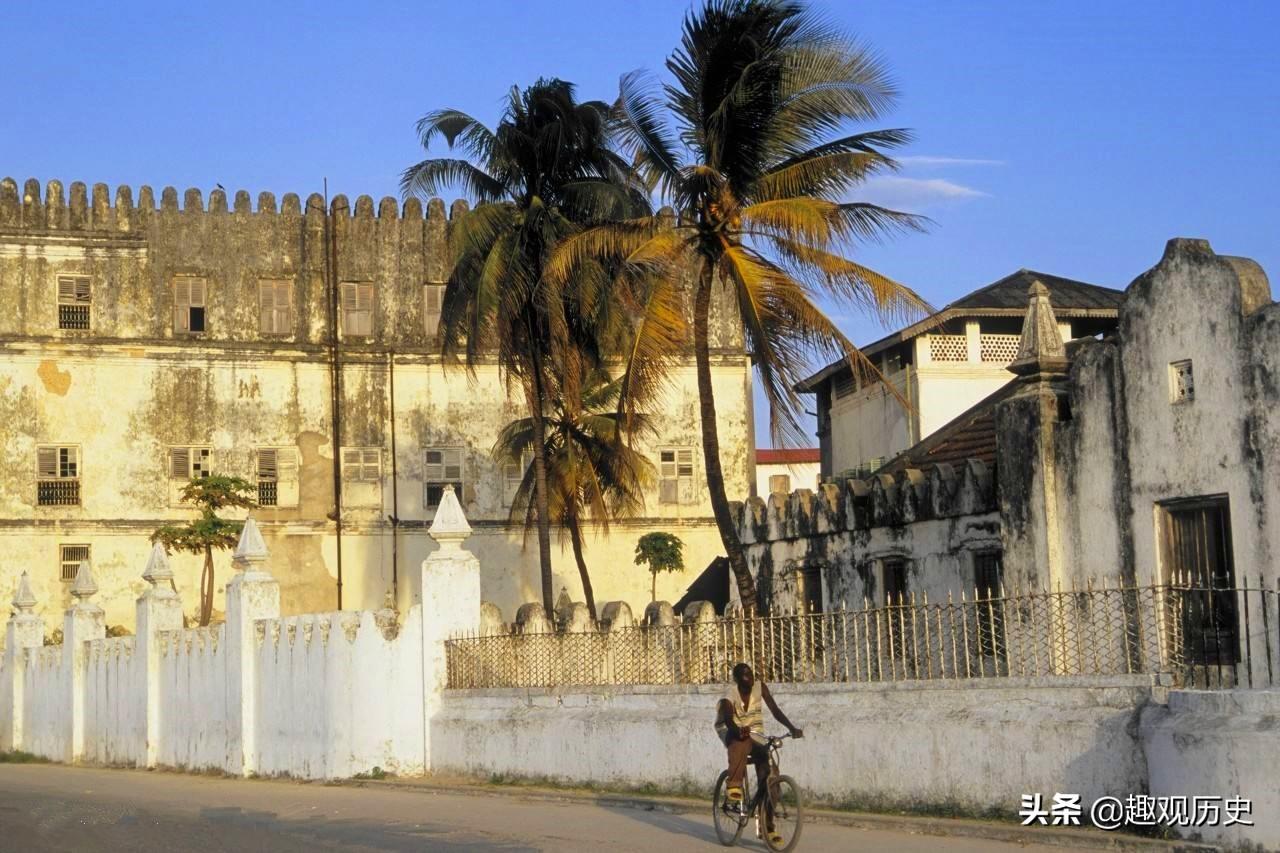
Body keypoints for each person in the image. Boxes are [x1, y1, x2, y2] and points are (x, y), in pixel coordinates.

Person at [714, 662, 803, 844]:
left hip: (756, 735)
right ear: (737, 679)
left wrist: (792, 728)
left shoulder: (759, 687)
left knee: (771, 778)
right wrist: (737, 730)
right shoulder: (729, 696)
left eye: (751, 673)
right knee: (741, 741)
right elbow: (728, 720)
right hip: (730, 730)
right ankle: (733, 786)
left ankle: (767, 827)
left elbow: (775, 710)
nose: (750, 677)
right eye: (745, 675)